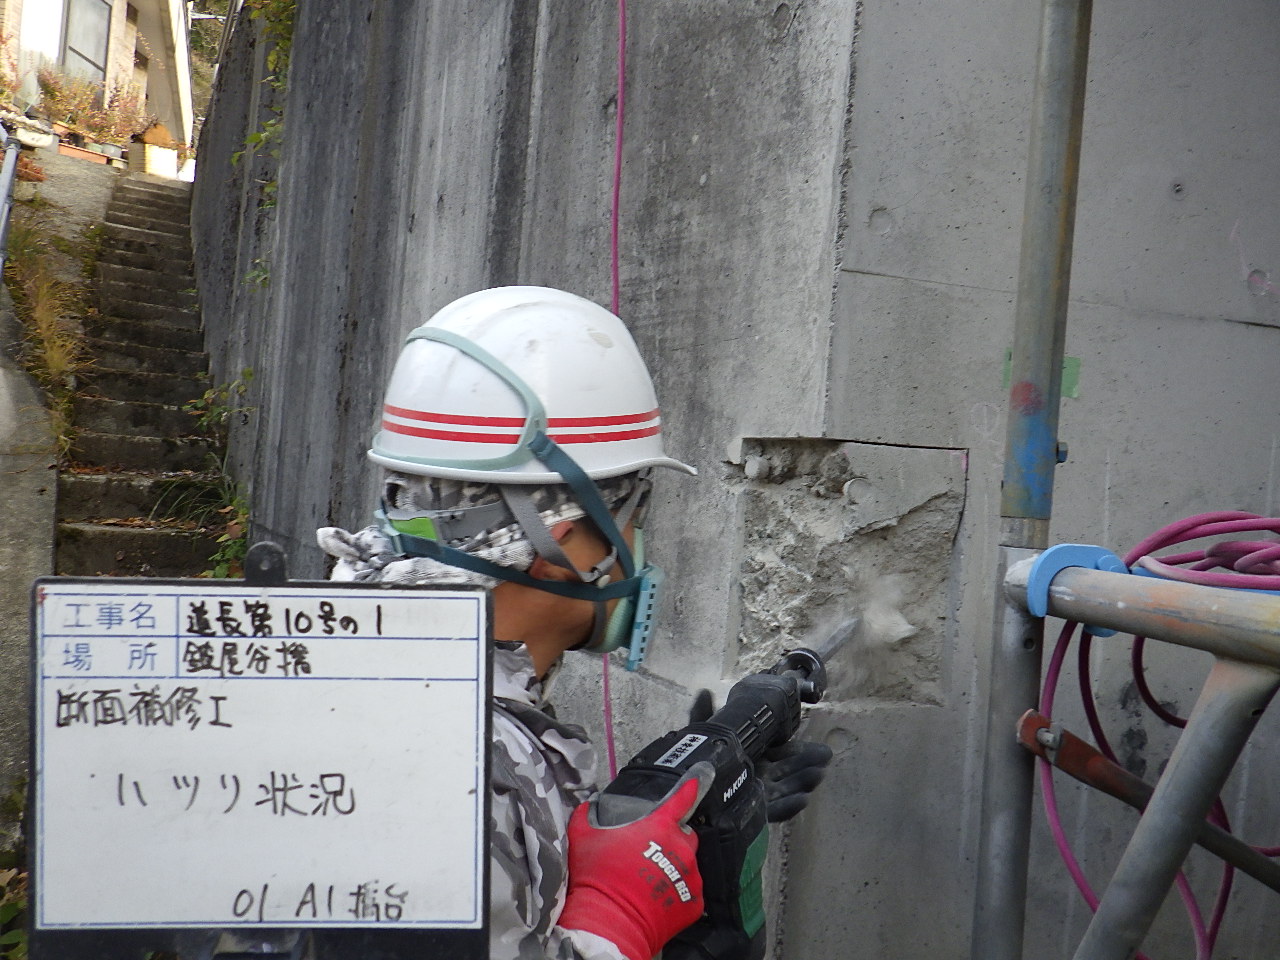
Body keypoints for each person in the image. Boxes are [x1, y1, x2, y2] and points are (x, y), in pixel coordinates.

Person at [317, 286, 829, 960]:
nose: (639, 548)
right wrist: (617, 919)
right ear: (556, 546)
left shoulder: (377, 671)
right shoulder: (443, 759)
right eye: (635, 516)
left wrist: (650, 823)